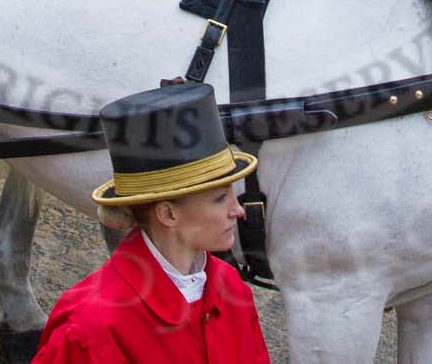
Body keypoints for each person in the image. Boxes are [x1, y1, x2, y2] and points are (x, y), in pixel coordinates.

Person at [34, 83, 270, 364]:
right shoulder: (89, 327)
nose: (238, 210)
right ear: (168, 214)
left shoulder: (232, 288)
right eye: (220, 198)